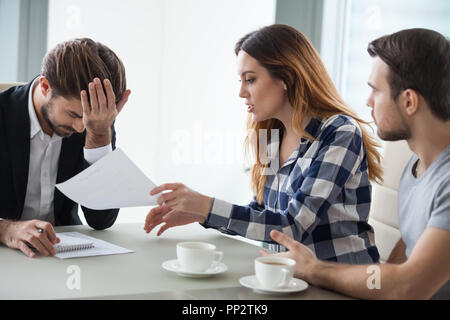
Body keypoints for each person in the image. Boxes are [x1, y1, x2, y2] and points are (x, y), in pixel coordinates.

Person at [144, 24, 383, 264]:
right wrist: (200, 214)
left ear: (286, 78)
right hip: (289, 278)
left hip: (341, 283)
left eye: (250, 79)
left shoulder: (339, 132)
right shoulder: (269, 135)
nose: (241, 92)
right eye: (240, 80)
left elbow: (291, 227)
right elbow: (262, 213)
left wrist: (206, 206)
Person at [261, 28, 450, 299]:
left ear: (409, 101)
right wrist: (383, 280)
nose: (367, 101)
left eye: (375, 90)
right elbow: (410, 247)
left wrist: (314, 269)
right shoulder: (417, 167)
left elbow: (410, 285)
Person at [0, 38, 131, 258]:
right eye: (73, 114)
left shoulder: (95, 122)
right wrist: (6, 229)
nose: (81, 128)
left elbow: (101, 220)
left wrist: (99, 136)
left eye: (87, 119)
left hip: (64, 254)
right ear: (45, 86)